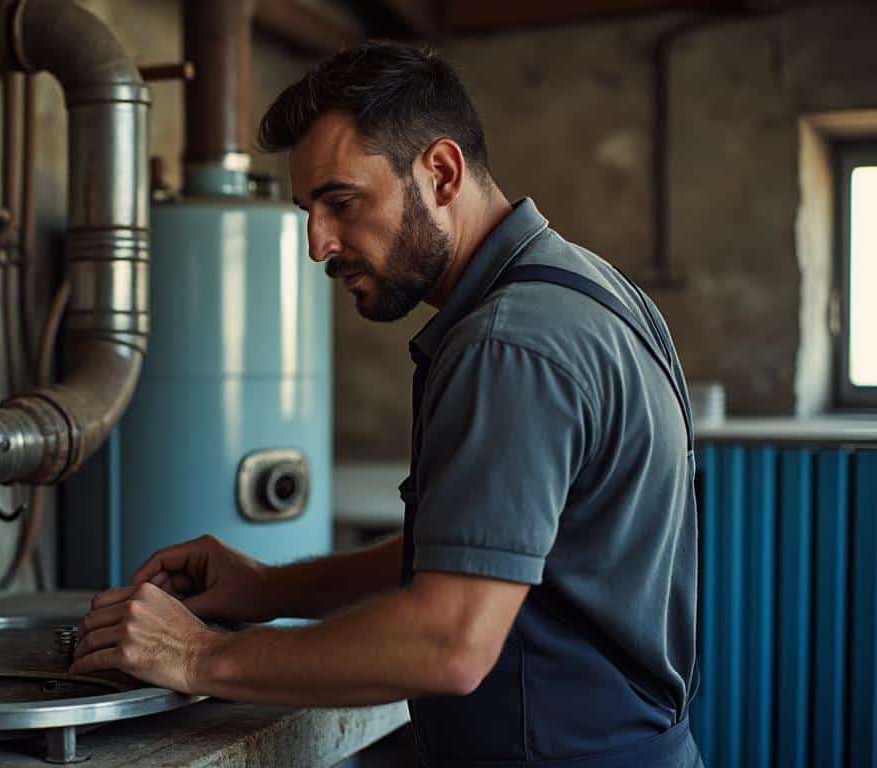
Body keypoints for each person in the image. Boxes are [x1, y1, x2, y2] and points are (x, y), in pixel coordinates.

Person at [70, 40, 701, 768]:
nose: (316, 244)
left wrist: (199, 655)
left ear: (439, 172)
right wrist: (269, 587)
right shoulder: (595, 291)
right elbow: (485, 546)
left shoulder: (507, 345)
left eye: (341, 202)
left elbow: (450, 641)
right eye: (308, 209)